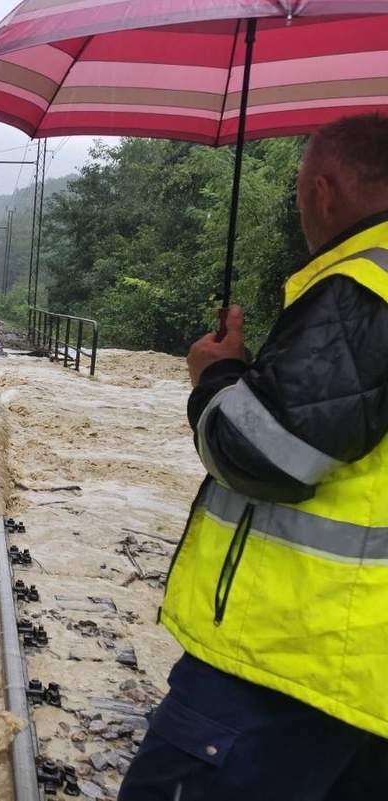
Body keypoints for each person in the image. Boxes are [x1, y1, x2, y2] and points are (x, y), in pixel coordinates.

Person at [119, 114, 388, 800]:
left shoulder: (368, 287)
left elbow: (264, 450)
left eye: (300, 189)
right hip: (364, 672)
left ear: (323, 191)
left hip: (298, 652)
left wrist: (216, 373)